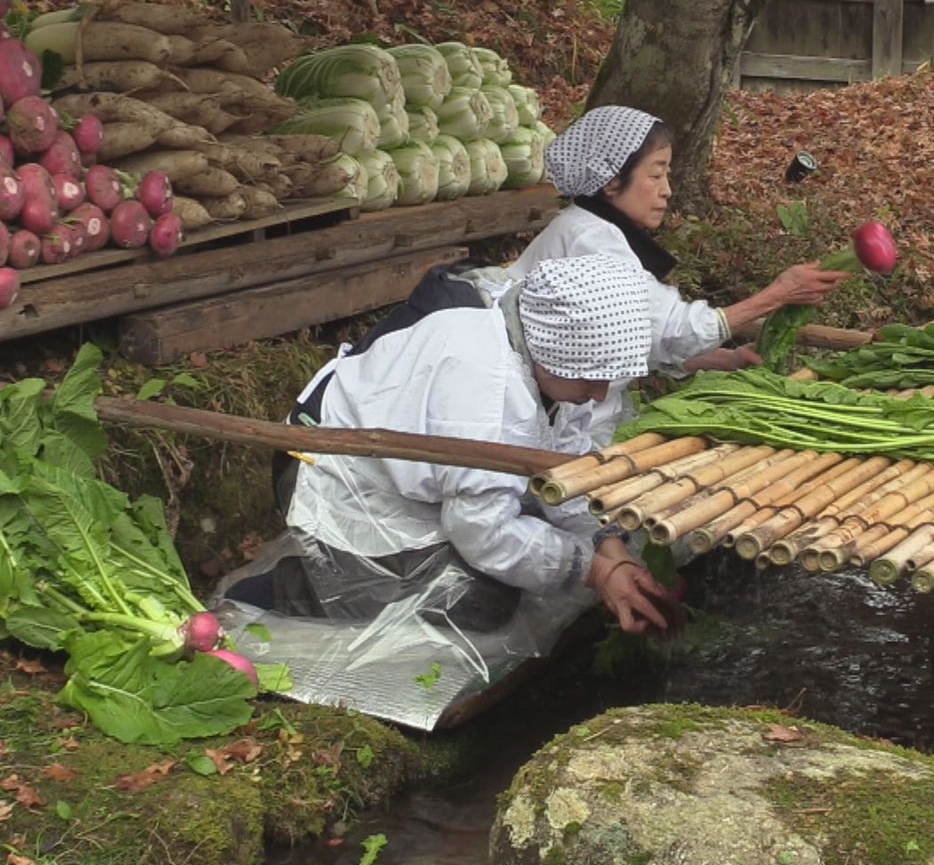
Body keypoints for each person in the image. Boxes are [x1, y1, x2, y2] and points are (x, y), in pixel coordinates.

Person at [222, 253, 676, 641]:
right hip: (329, 466)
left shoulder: (545, 353)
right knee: (477, 598)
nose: (599, 393)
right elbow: (483, 532)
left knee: (535, 537)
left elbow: (566, 466)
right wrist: (592, 571)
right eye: (591, 377)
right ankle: (290, 588)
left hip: (409, 467)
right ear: (556, 350)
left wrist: (605, 543)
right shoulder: (486, 389)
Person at [508, 104, 851, 376]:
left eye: (667, 175)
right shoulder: (592, 240)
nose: (667, 190)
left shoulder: (588, 226)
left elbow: (642, 340)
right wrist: (779, 293)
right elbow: (673, 331)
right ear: (610, 181)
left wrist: (727, 359)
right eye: (655, 174)